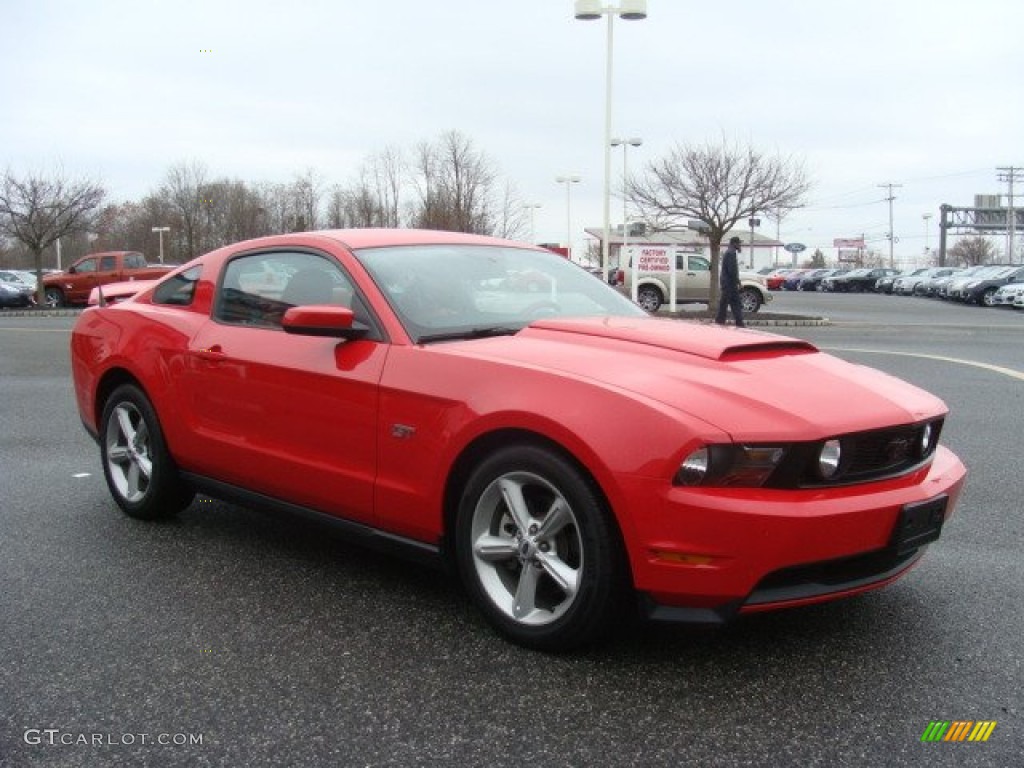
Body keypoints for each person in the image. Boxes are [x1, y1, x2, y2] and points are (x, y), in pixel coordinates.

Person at [715, 236, 746, 327]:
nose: (740, 245)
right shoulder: (731, 253)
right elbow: (732, 271)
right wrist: (738, 283)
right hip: (729, 283)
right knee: (733, 303)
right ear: (734, 244)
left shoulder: (730, 252)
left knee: (726, 303)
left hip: (727, 283)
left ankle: (720, 321)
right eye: (739, 243)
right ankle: (739, 323)